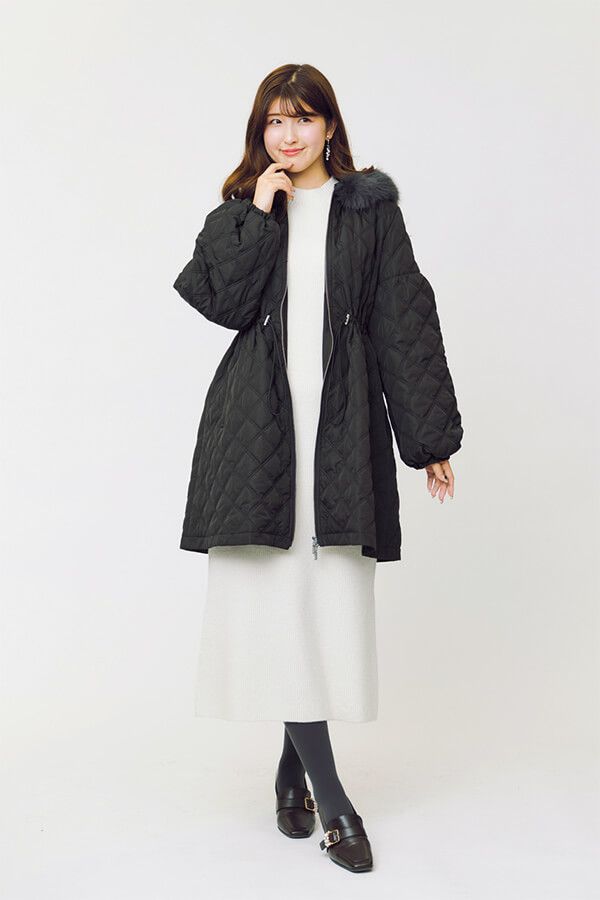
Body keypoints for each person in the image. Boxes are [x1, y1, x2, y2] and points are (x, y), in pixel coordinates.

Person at [172, 63, 463, 874]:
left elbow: (405, 318)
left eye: (303, 118)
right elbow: (220, 303)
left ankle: (289, 773)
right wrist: (257, 214)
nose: (288, 134)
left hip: (338, 432)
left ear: (329, 126)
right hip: (258, 430)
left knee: (319, 603)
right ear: (260, 130)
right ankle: (334, 803)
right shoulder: (244, 209)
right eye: (274, 120)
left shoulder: (369, 211)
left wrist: (429, 438)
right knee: (274, 603)